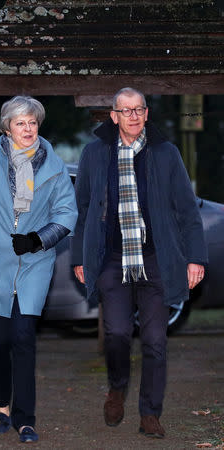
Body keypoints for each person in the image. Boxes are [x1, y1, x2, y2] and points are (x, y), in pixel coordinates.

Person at [71, 87, 208, 439]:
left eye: (138, 109)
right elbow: (83, 209)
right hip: (113, 261)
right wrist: (79, 256)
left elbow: (187, 210)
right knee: (116, 333)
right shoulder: (94, 154)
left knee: (154, 341)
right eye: (125, 110)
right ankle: (117, 388)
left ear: (146, 114)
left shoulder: (166, 153)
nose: (132, 116)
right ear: (114, 116)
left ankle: (150, 413)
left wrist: (195, 258)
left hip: (156, 259)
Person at [0, 95, 78, 444]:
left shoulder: (53, 165)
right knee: (1, 339)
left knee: (24, 337)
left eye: (33, 122)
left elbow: (67, 214)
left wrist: (38, 239)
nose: (28, 129)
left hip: (35, 262)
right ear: (6, 128)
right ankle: (1, 403)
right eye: (20, 123)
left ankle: (25, 419)